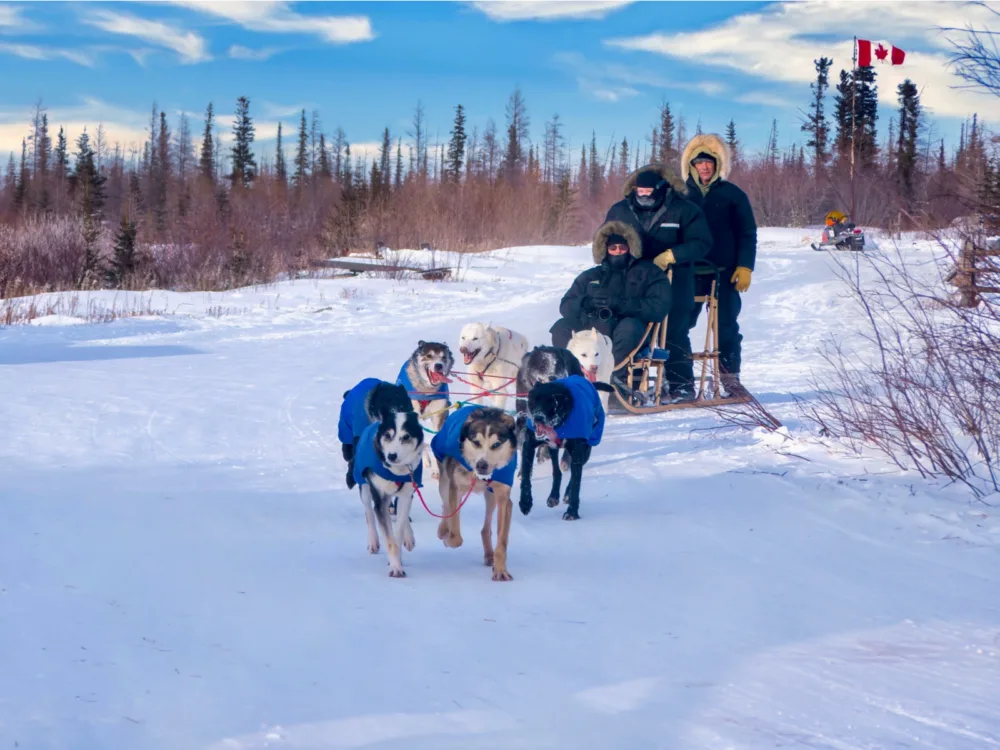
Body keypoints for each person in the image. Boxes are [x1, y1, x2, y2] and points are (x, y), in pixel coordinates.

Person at [604, 164, 712, 402]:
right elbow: (605, 238)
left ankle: (681, 385)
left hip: (675, 280)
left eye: (648, 192)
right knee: (633, 329)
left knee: (674, 330)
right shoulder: (620, 210)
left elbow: (702, 242)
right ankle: (630, 384)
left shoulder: (683, 210)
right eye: (639, 191)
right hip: (632, 281)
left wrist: (672, 255)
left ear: (661, 189)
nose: (643, 196)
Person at [681, 134, 758, 396]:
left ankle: (730, 380)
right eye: (699, 163)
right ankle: (680, 382)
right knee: (679, 325)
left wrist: (745, 266)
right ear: (691, 165)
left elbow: (747, 232)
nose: (704, 167)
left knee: (726, 327)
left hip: (724, 273)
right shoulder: (681, 195)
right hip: (689, 272)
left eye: (709, 162)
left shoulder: (732, 194)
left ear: (717, 164)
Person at [550, 220, 672, 368]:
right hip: (592, 330)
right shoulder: (590, 276)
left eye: (623, 247)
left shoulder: (649, 273)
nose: (618, 251)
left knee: (629, 328)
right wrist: (586, 303)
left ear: (631, 248)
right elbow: (566, 306)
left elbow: (659, 307)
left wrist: (620, 303)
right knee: (561, 327)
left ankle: (612, 375)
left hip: (628, 330)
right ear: (605, 249)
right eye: (613, 248)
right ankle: (574, 372)